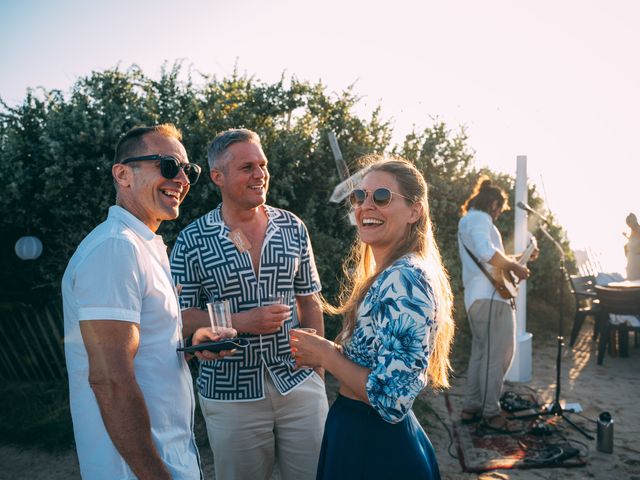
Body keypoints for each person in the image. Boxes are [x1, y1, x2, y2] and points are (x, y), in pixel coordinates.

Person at [62, 124, 235, 479]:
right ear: (123, 174)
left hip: (168, 452)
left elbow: (141, 344)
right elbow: (109, 379)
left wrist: (186, 344)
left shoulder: (143, 246)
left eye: (189, 171)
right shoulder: (116, 248)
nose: (182, 180)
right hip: (135, 468)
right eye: (169, 166)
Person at [170, 128, 328, 480]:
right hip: (230, 392)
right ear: (217, 177)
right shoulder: (192, 240)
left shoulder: (293, 227)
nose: (260, 175)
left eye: (262, 164)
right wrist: (242, 321)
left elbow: (310, 302)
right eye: (247, 167)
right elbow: (176, 318)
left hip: (298, 382)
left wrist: (317, 371)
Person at [288, 156, 454, 480]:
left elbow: (391, 399)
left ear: (414, 210)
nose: (366, 206)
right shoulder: (395, 272)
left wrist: (325, 354)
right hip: (361, 432)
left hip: (374, 444)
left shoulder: (405, 278)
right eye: (359, 196)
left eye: (382, 197)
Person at [457, 176, 534, 432]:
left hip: (476, 298)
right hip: (490, 298)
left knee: (481, 353)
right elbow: (486, 252)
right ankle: (491, 413)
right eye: (500, 208)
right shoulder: (480, 219)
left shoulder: (468, 220)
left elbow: (488, 257)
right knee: (499, 355)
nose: (500, 213)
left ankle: (471, 407)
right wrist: (514, 266)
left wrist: (518, 258)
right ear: (492, 203)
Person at [624, 212, 640, 280]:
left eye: (628, 223)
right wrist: (626, 236)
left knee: (634, 278)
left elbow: (636, 242)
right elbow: (633, 241)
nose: (628, 225)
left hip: (635, 257)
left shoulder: (637, 229)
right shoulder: (634, 230)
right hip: (632, 257)